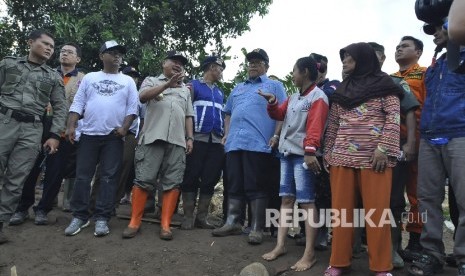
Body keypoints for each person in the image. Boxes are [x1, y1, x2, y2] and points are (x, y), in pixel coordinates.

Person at [323, 42, 402, 276]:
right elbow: (334, 124)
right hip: (341, 159)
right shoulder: (342, 90)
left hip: (375, 159)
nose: (345, 62)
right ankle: (338, 263)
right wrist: (328, 153)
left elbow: (394, 117)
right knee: (341, 215)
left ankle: (380, 267)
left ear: (364, 59)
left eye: (349, 58)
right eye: (344, 58)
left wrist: (384, 148)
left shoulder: (386, 85)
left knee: (376, 214)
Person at [260, 56, 329, 272]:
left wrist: (310, 152)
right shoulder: (293, 97)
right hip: (287, 154)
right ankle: (280, 245)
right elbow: (280, 114)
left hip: (303, 156)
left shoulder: (318, 97)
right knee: (287, 200)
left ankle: (309, 254)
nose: (292, 75)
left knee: (307, 202)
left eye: (294, 71)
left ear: (305, 73)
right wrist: (272, 103)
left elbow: (316, 126)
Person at [212, 48, 286, 245]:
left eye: (258, 61)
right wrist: (227, 134)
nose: (252, 64)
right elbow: (227, 112)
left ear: (266, 66)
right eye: (250, 61)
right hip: (234, 142)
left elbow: (282, 112)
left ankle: (256, 227)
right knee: (234, 184)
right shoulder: (238, 88)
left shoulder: (275, 85)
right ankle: (233, 221)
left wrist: (276, 135)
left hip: (258, 143)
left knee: (256, 185)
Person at [64, 40, 138, 237]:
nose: (117, 56)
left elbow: (132, 107)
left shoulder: (128, 81)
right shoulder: (90, 77)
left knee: (108, 177)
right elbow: (78, 102)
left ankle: (102, 218)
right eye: (112, 53)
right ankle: (79, 216)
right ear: (101, 56)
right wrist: (71, 125)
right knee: (82, 176)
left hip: (113, 137)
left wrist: (124, 128)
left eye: (119, 54)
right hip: (88, 134)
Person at [408, 21, 465, 276]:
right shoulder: (436, 64)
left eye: (440, 28)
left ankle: (463, 257)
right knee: (427, 199)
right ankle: (432, 254)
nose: (435, 34)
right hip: (430, 138)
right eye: (431, 31)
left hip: (460, 134)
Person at [0, 30, 67, 244]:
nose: (49, 49)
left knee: (16, 179)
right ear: (30, 42)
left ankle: (0, 223)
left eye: (52, 47)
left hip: (32, 130)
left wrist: (55, 135)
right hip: (4, 122)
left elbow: (60, 108)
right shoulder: (8, 64)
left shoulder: (53, 77)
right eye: (45, 43)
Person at [8, 42, 85, 225]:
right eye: (63, 51)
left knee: (55, 173)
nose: (64, 54)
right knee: (29, 169)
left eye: (69, 52)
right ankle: (22, 207)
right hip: (36, 129)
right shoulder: (46, 73)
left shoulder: (83, 79)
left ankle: (43, 209)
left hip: (64, 133)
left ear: (78, 59)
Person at [122, 50, 194, 240]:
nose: (178, 65)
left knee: (172, 182)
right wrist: (166, 85)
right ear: (164, 63)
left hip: (177, 141)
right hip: (153, 137)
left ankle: (165, 225)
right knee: (144, 179)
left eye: (181, 63)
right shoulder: (151, 81)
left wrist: (190, 138)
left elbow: (188, 116)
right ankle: (134, 222)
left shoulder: (186, 90)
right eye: (173, 61)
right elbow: (143, 97)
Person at [367, 41, 423, 269]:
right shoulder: (354, 84)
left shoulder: (395, 82)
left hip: (393, 146)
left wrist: (410, 143)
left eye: (374, 56)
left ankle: (393, 247)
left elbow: (410, 110)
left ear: (381, 59)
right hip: (361, 150)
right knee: (365, 200)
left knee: (393, 199)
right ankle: (364, 247)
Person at [293, 53, 340, 250]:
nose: (318, 70)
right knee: (304, 193)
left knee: (322, 195)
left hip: (323, 149)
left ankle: (322, 234)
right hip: (302, 148)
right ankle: (306, 231)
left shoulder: (332, 86)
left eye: (320, 66)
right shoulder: (300, 94)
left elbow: (327, 98)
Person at [391, 36, 427, 265]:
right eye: (397, 46)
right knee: (394, 196)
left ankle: (416, 241)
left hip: (421, 141)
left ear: (419, 52)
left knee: (418, 194)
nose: (399, 49)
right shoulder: (389, 79)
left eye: (404, 46)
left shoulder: (425, 73)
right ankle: (394, 244)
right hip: (393, 141)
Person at [180, 56, 225, 230]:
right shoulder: (193, 86)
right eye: (220, 68)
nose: (221, 72)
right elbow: (185, 111)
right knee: (191, 175)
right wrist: (187, 136)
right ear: (212, 67)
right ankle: (188, 217)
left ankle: (201, 218)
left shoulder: (220, 92)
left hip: (215, 141)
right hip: (197, 139)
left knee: (210, 178)